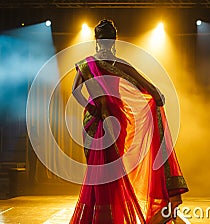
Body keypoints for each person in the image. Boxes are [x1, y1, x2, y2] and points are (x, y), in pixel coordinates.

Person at [70, 19, 188, 224]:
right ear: (113, 41)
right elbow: (146, 84)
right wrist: (156, 95)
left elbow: (75, 91)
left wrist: (92, 107)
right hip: (114, 119)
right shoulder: (119, 64)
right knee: (111, 171)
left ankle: (99, 217)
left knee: (99, 171)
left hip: (96, 119)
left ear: (96, 41)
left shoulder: (88, 63)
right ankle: (111, 216)